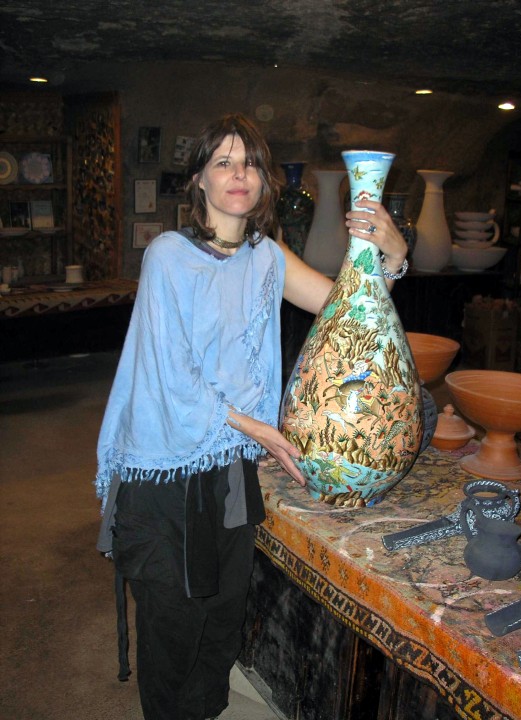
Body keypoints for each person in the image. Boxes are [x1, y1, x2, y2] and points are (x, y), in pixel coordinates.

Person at [95, 113, 408, 720]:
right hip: (164, 471)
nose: (239, 174)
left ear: (264, 180)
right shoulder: (168, 255)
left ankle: (206, 709)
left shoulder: (267, 255)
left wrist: (391, 256)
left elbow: (345, 309)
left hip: (228, 466)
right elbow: (172, 373)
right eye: (223, 162)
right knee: (172, 619)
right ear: (200, 181)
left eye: (250, 164)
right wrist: (261, 428)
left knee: (223, 612)